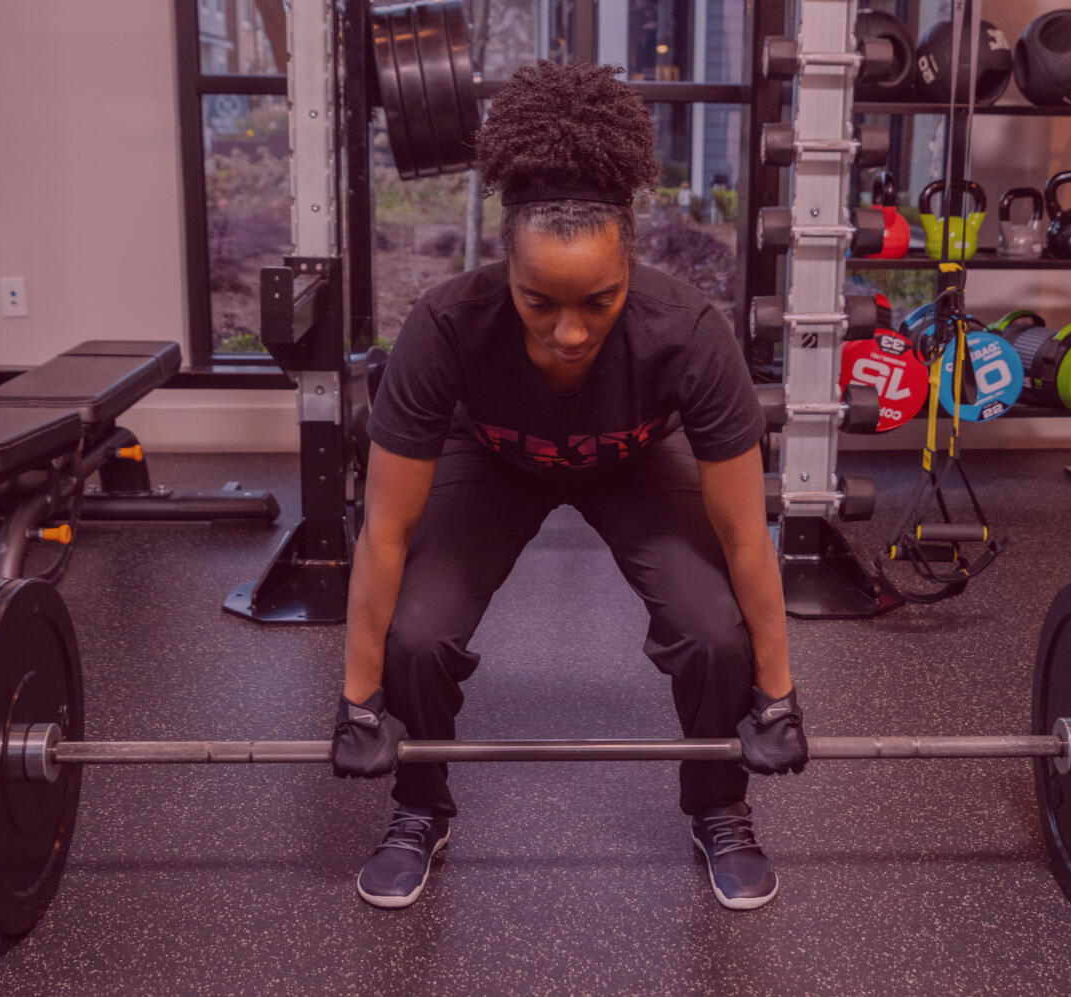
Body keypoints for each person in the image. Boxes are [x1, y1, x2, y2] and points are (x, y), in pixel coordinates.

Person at [329, 62, 808, 912]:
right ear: (504, 268)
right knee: (416, 634)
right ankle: (419, 803)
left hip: (634, 459)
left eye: (599, 300)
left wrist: (778, 695)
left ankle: (719, 804)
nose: (571, 332)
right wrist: (358, 701)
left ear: (631, 261)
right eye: (538, 302)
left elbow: (746, 537)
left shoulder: (689, 333)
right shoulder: (445, 326)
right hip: (492, 458)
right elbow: (385, 534)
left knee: (713, 631)